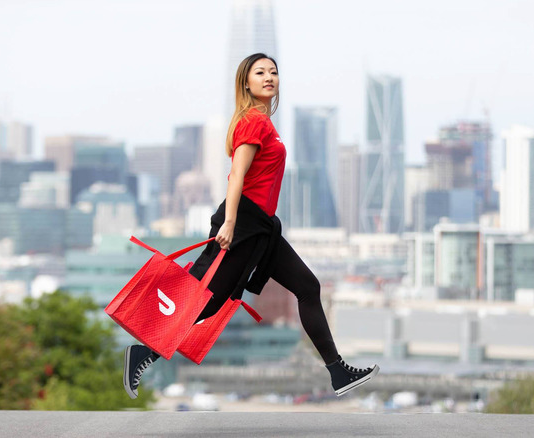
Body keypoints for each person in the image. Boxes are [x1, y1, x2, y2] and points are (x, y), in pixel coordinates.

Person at [123, 53, 378, 400]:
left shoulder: (262, 122)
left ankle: (337, 371)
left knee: (307, 286)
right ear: (246, 82)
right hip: (242, 223)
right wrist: (228, 223)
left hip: (263, 227)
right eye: (260, 72)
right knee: (207, 300)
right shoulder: (252, 122)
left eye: (273, 72)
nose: (269, 77)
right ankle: (144, 352)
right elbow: (236, 176)